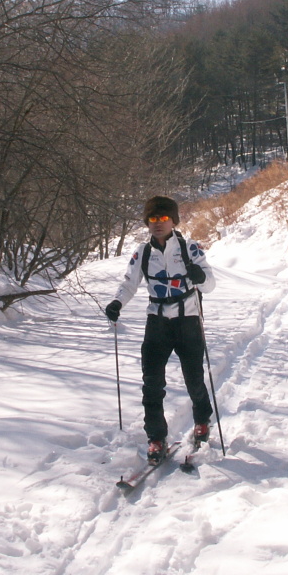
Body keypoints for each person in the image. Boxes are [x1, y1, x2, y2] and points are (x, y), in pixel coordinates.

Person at [105, 196, 215, 463]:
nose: (158, 223)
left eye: (163, 218)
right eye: (153, 219)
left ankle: (202, 420)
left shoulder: (191, 249)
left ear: (174, 221)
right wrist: (117, 302)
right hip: (157, 323)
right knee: (152, 384)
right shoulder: (142, 253)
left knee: (194, 378)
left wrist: (199, 277)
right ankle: (155, 438)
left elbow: (210, 284)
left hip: (187, 320)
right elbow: (130, 283)